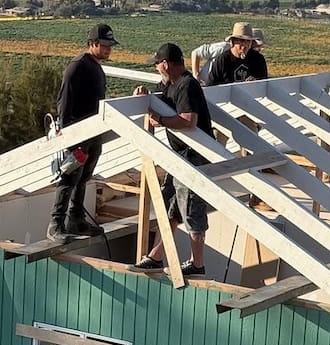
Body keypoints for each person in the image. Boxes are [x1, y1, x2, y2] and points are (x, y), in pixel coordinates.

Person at [130, 43, 213, 277]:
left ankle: (197, 263)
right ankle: (156, 256)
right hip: (180, 155)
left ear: (165, 64)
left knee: (191, 208)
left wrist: (161, 120)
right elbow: (156, 97)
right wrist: (143, 95)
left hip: (194, 157)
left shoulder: (186, 85)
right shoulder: (170, 85)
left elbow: (188, 120)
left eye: (157, 65)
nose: (156, 69)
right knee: (172, 207)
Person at [47, 23, 117, 242]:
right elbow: (64, 101)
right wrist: (68, 136)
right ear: (92, 44)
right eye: (104, 45)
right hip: (78, 131)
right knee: (70, 176)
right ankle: (56, 223)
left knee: (84, 176)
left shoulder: (95, 66)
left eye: (109, 45)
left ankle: (75, 219)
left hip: (93, 131)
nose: (108, 49)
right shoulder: (77, 67)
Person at [204, 22, 268, 86]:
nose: (245, 45)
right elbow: (211, 86)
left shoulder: (258, 59)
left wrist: (255, 83)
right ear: (233, 41)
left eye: (248, 41)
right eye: (242, 41)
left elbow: (264, 84)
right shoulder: (222, 61)